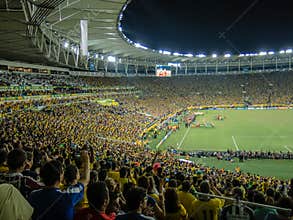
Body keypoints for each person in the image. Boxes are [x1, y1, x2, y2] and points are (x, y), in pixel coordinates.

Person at [29, 151, 90, 220]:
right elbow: (85, 180)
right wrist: (86, 159)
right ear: (61, 176)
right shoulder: (68, 195)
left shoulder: (33, 195)